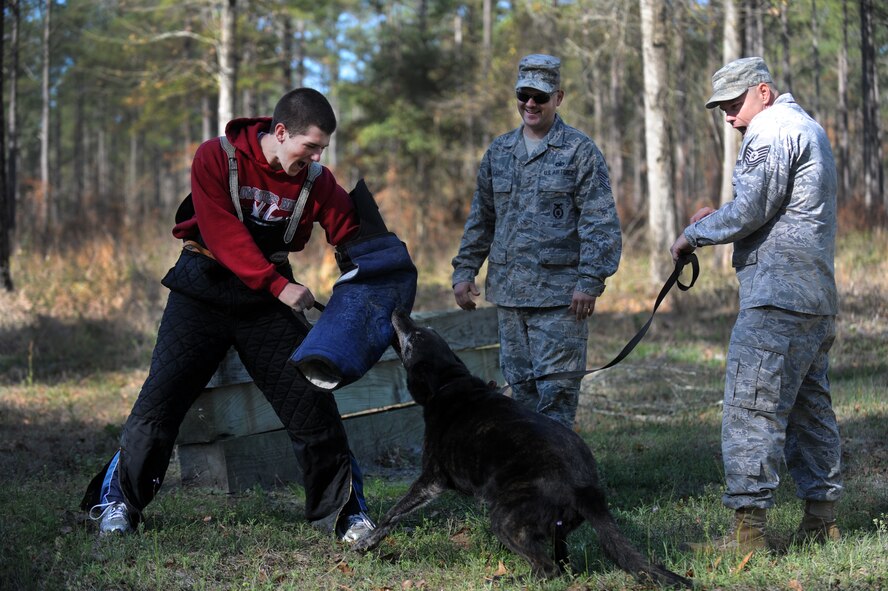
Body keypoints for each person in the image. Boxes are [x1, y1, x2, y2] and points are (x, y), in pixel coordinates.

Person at [81, 88, 375, 543]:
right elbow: (221, 233)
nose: (316, 157)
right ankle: (118, 504)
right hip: (204, 285)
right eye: (310, 146)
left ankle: (344, 515)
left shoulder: (316, 181)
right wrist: (282, 286)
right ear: (280, 132)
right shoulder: (215, 157)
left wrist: (377, 273)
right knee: (162, 399)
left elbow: (350, 231)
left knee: (311, 402)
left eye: (322, 149)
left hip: (264, 304)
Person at [670, 57, 843, 552]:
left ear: (762, 92)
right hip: (814, 299)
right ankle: (821, 521)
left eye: (734, 103)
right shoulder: (810, 128)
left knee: (750, 409)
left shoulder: (768, 130)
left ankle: (748, 535)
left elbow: (750, 209)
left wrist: (693, 234)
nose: (728, 116)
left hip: (776, 299)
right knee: (810, 410)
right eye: (721, 107)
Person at [451, 54, 622, 429]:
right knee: (522, 395)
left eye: (540, 96)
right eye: (523, 94)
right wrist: (465, 270)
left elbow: (600, 223)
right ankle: (529, 479)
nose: (530, 103)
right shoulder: (499, 152)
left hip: (560, 300)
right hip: (510, 297)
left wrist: (590, 281)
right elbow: (482, 218)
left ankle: (560, 481)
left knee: (557, 397)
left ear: (558, 97)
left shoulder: (579, 151)